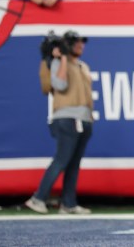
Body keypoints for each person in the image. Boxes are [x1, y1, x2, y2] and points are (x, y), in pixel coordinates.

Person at [26, 31, 93, 215]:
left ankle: (68, 203)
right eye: (77, 43)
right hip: (66, 117)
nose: (81, 46)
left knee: (73, 163)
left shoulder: (82, 65)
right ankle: (38, 198)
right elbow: (60, 85)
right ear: (68, 45)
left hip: (84, 118)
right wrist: (62, 57)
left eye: (82, 43)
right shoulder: (57, 63)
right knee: (62, 159)